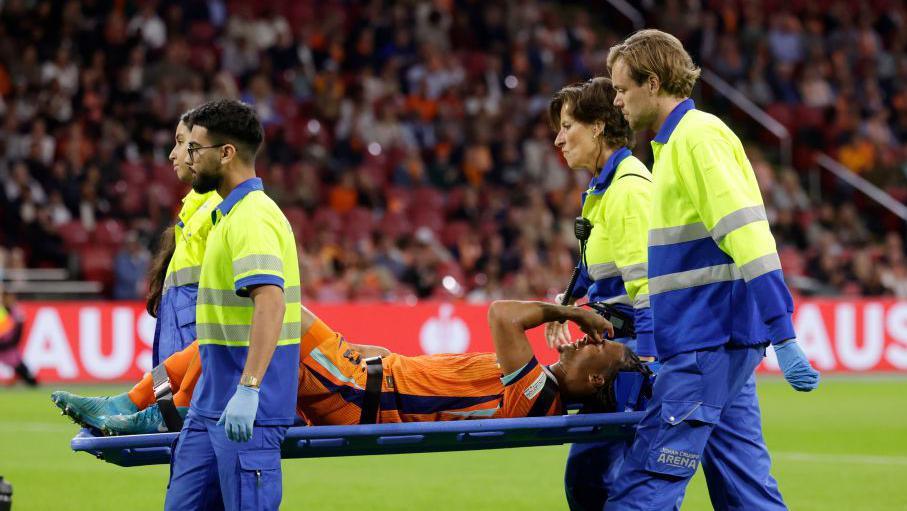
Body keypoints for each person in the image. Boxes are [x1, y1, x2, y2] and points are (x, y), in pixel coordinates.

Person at [605, 29, 820, 510]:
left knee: (642, 490)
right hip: (716, 345)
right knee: (746, 494)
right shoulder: (677, 145)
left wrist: (782, 332)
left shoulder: (696, 140)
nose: (616, 100)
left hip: (705, 347)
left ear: (653, 83)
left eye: (622, 88)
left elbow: (749, 236)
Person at [53, 300, 649, 433]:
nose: (578, 338)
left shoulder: (537, 396)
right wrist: (387, 357)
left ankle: (154, 413)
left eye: (594, 344)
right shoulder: (533, 388)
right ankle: (132, 406)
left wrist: (572, 309)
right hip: (364, 379)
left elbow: (500, 314)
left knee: (275, 308)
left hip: (357, 396)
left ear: (596, 380)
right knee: (230, 335)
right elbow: (437, 383)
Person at [166, 99, 301, 511]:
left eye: (195, 149)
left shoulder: (253, 218)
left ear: (226, 153)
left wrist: (248, 390)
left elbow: (271, 304)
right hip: (212, 405)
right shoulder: (229, 216)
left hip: (247, 410)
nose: (187, 158)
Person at [51, 113, 223, 428]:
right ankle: (134, 405)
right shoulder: (195, 204)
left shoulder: (218, 206)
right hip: (179, 318)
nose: (173, 153)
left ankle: (138, 410)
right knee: (169, 405)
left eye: (183, 143)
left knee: (189, 430)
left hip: (198, 321)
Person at [546, 78, 656, 510]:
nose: (558, 137)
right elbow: (607, 279)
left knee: (613, 486)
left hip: (631, 360)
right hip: (617, 353)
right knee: (590, 479)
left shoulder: (628, 190)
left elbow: (646, 288)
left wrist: (646, 365)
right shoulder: (604, 189)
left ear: (596, 127)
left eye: (567, 125)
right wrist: (567, 304)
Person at [0, 289, 37, 386]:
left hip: (9, 345)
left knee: (17, 364)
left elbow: (19, 331)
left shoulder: (16, 311)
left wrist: (12, 343)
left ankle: (30, 380)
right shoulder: (3, 311)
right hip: (4, 344)